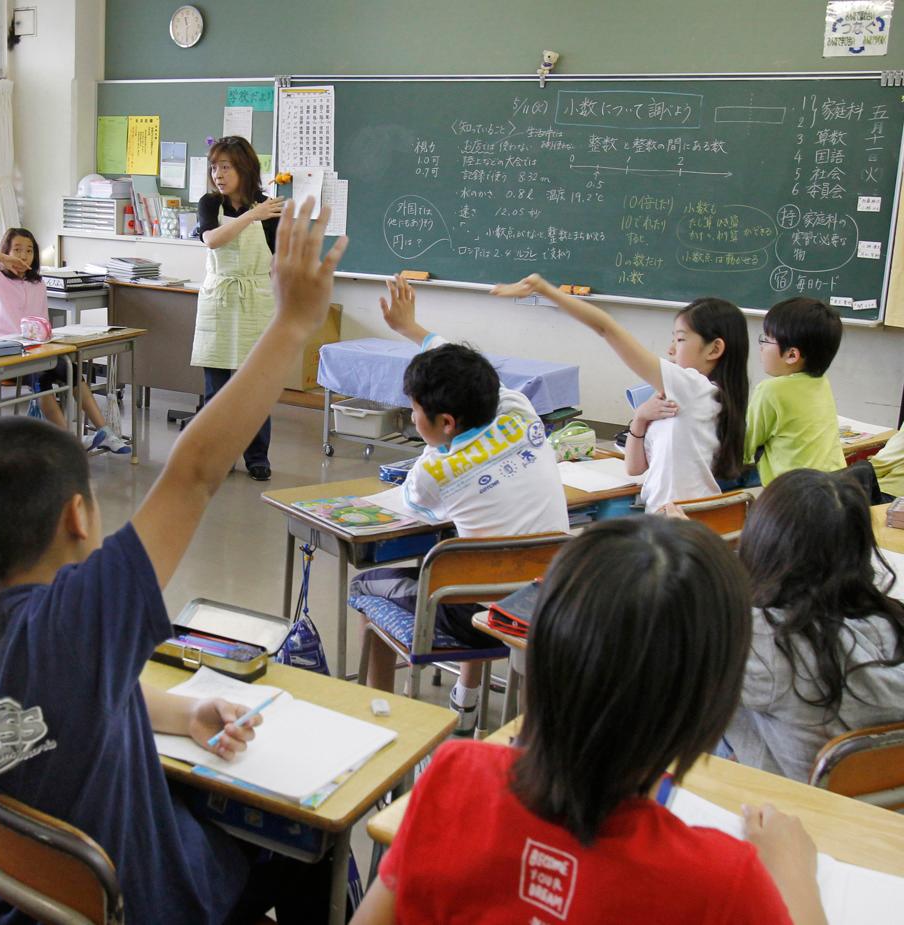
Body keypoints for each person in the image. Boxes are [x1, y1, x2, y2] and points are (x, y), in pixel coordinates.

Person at [0, 198, 347, 925]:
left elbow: (48, 710)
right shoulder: (78, 616)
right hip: (141, 904)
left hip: (23, 905)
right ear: (80, 515)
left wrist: (183, 710)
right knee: (312, 834)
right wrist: (290, 326)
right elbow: (194, 471)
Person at [352, 517, 827, 925]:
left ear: (539, 653)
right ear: (709, 706)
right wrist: (794, 873)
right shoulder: (723, 884)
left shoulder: (454, 774)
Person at [348, 276, 568, 726]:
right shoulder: (518, 408)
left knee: (367, 583)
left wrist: (438, 454)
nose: (411, 417)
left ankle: (377, 722)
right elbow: (471, 369)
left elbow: (405, 508)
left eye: (413, 410)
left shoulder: (431, 473)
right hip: (547, 599)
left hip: (475, 618)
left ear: (445, 421)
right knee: (480, 560)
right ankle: (465, 705)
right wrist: (414, 330)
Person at [492, 273, 749, 509]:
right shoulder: (695, 397)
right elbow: (635, 468)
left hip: (678, 521)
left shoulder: (695, 387)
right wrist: (640, 418)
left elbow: (606, 328)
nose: (671, 349)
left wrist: (546, 289)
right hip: (676, 515)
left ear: (714, 349)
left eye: (680, 339)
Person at [724, 468, 904, 782]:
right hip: (878, 818)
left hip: (787, 813)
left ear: (762, 539)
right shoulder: (890, 623)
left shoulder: (761, 639)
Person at [0, 230, 129, 454]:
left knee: (72, 371)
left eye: (29, 251)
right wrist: (1, 258)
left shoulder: (37, 283)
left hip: (35, 351)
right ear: (6, 252)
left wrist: (50, 342)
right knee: (43, 379)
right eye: (17, 250)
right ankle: (71, 443)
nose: (24, 256)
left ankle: (105, 432)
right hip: (5, 355)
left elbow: (41, 323)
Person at [191, 136, 286, 481]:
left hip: (256, 298)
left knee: (255, 386)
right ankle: (219, 454)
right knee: (217, 388)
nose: (218, 173)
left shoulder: (270, 208)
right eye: (214, 166)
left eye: (225, 166)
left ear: (244, 168)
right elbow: (212, 239)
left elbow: (278, 260)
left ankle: (257, 456)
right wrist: (251, 215)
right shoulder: (208, 203)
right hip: (219, 298)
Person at [745, 297, 846, 483]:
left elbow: (743, 449)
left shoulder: (771, 390)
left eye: (766, 340)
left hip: (795, 497)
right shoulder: (821, 382)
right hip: (835, 485)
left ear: (792, 355)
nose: (761, 347)